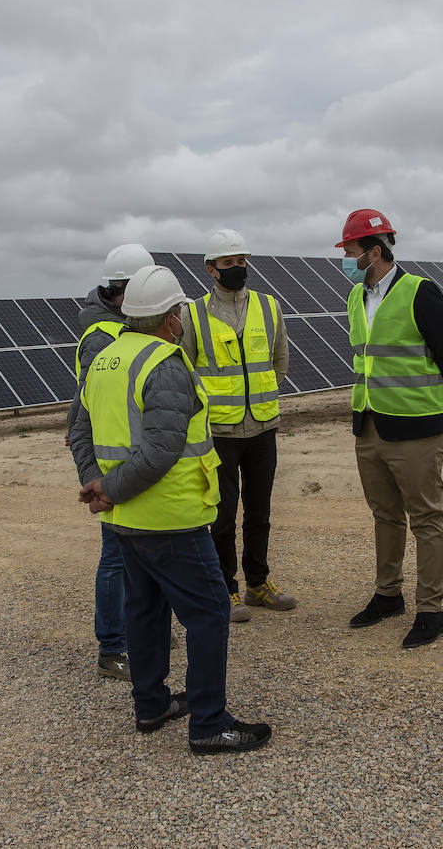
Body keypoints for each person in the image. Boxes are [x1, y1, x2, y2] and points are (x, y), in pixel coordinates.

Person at [69, 264, 272, 754]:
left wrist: (98, 485)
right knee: (210, 612)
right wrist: (109, 489)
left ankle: (151, 704)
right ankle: (209, 724)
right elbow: (161, 451)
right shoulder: (165, 364)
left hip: (126, 522)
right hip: (170, 517)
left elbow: (78, 430)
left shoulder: (105, 359)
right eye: (179, 310)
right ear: (169, 317)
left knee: (146, 611)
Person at [336, 209, 443, 649]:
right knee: (385, 514)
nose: (346, 259)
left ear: (374, 252)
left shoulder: (419, 292)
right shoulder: (356, 298)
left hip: (416, 428)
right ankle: (388, 595)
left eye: (350, 251)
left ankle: (431, 610)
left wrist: (436, 412)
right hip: (370, 423)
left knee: (426, 517)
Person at [178, 229, 295, 623]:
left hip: (263, 426)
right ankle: (225, 589)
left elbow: (279, 360)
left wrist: (260, 396)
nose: (238, 268)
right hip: (220, 433)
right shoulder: (193, 314)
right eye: (229, 263)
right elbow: (185, 369)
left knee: (259, 511)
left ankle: (257, 584)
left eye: (242, 261)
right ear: (211, 269)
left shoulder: (268, 306)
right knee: (223, 516)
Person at [70, 242, 154, 681]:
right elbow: (83, 414)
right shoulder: (102, 338)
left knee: (141, 552)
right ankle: (112, 647)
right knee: (117, 556)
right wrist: (94, 478)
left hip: (132, 459)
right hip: (112, 463)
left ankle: (139, 631)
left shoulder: (123, 327)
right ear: (125, 292)